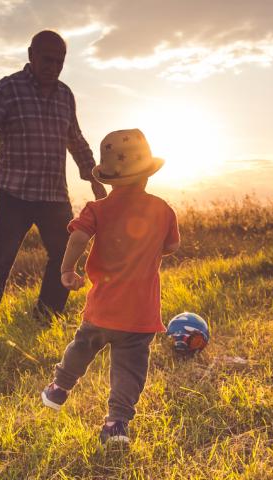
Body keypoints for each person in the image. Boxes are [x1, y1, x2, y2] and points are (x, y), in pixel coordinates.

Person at [40, 128, 180, 445]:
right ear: (146, 175)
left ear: (108, 178)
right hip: (140, 315)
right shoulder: (162, 209)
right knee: (129, 370)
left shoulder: (97, 209)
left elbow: (77, 237)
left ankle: (59, 388)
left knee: (82, 346)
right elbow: (172, 246)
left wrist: (66, 269)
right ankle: (116, 424)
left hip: (103, 308)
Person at [0, 29, 107, 324]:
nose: (53, 67)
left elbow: (76, 140)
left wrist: (93, 176)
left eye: (60, 61)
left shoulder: (65, 95)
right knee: (0, 261)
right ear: (31, 55)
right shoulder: (8, 89)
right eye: (47, 59)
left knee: (66, 255)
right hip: (15, 194)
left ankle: (46, 316)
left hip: (54, 196)